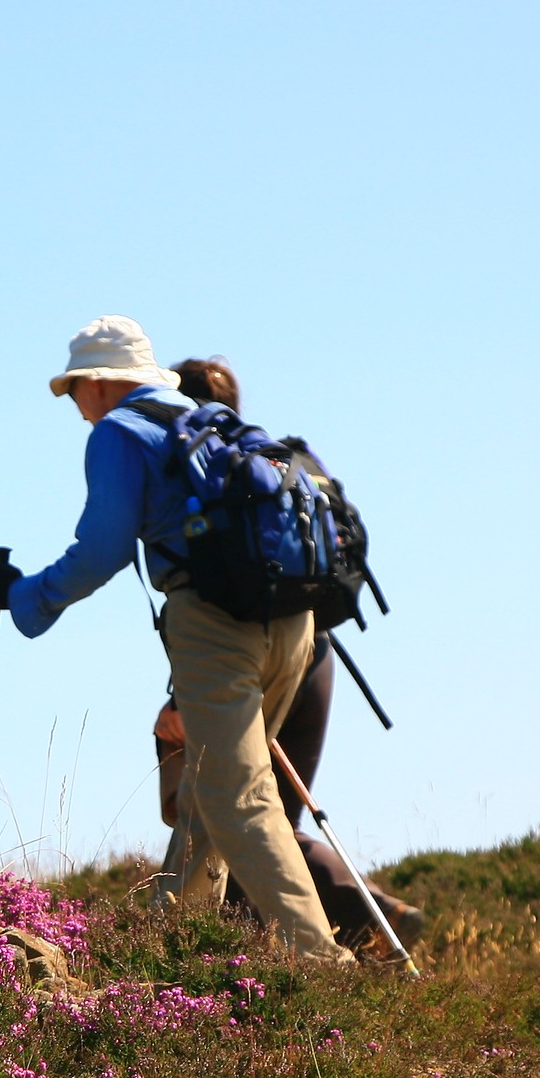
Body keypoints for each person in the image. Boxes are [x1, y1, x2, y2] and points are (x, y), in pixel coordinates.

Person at [0, 317, 348, 964]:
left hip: (214, 623)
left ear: (98, 383)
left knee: (237, 796)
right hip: (296, 622)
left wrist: (25, 598)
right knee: (211, 789)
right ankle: (175, 952)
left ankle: (318, 962)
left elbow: (101, 551)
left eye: (73, 393)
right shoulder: (210, 421)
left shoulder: (120, 431)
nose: (76, 408)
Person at [149, 355, 424, 955]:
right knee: (268, 815)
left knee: (239, 809)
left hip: (250, 662)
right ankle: (371, 916)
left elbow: (216, 609)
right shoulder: (273, 465)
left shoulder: (202, 471)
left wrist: (177, 700)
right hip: (313, 654)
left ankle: (340, 935)